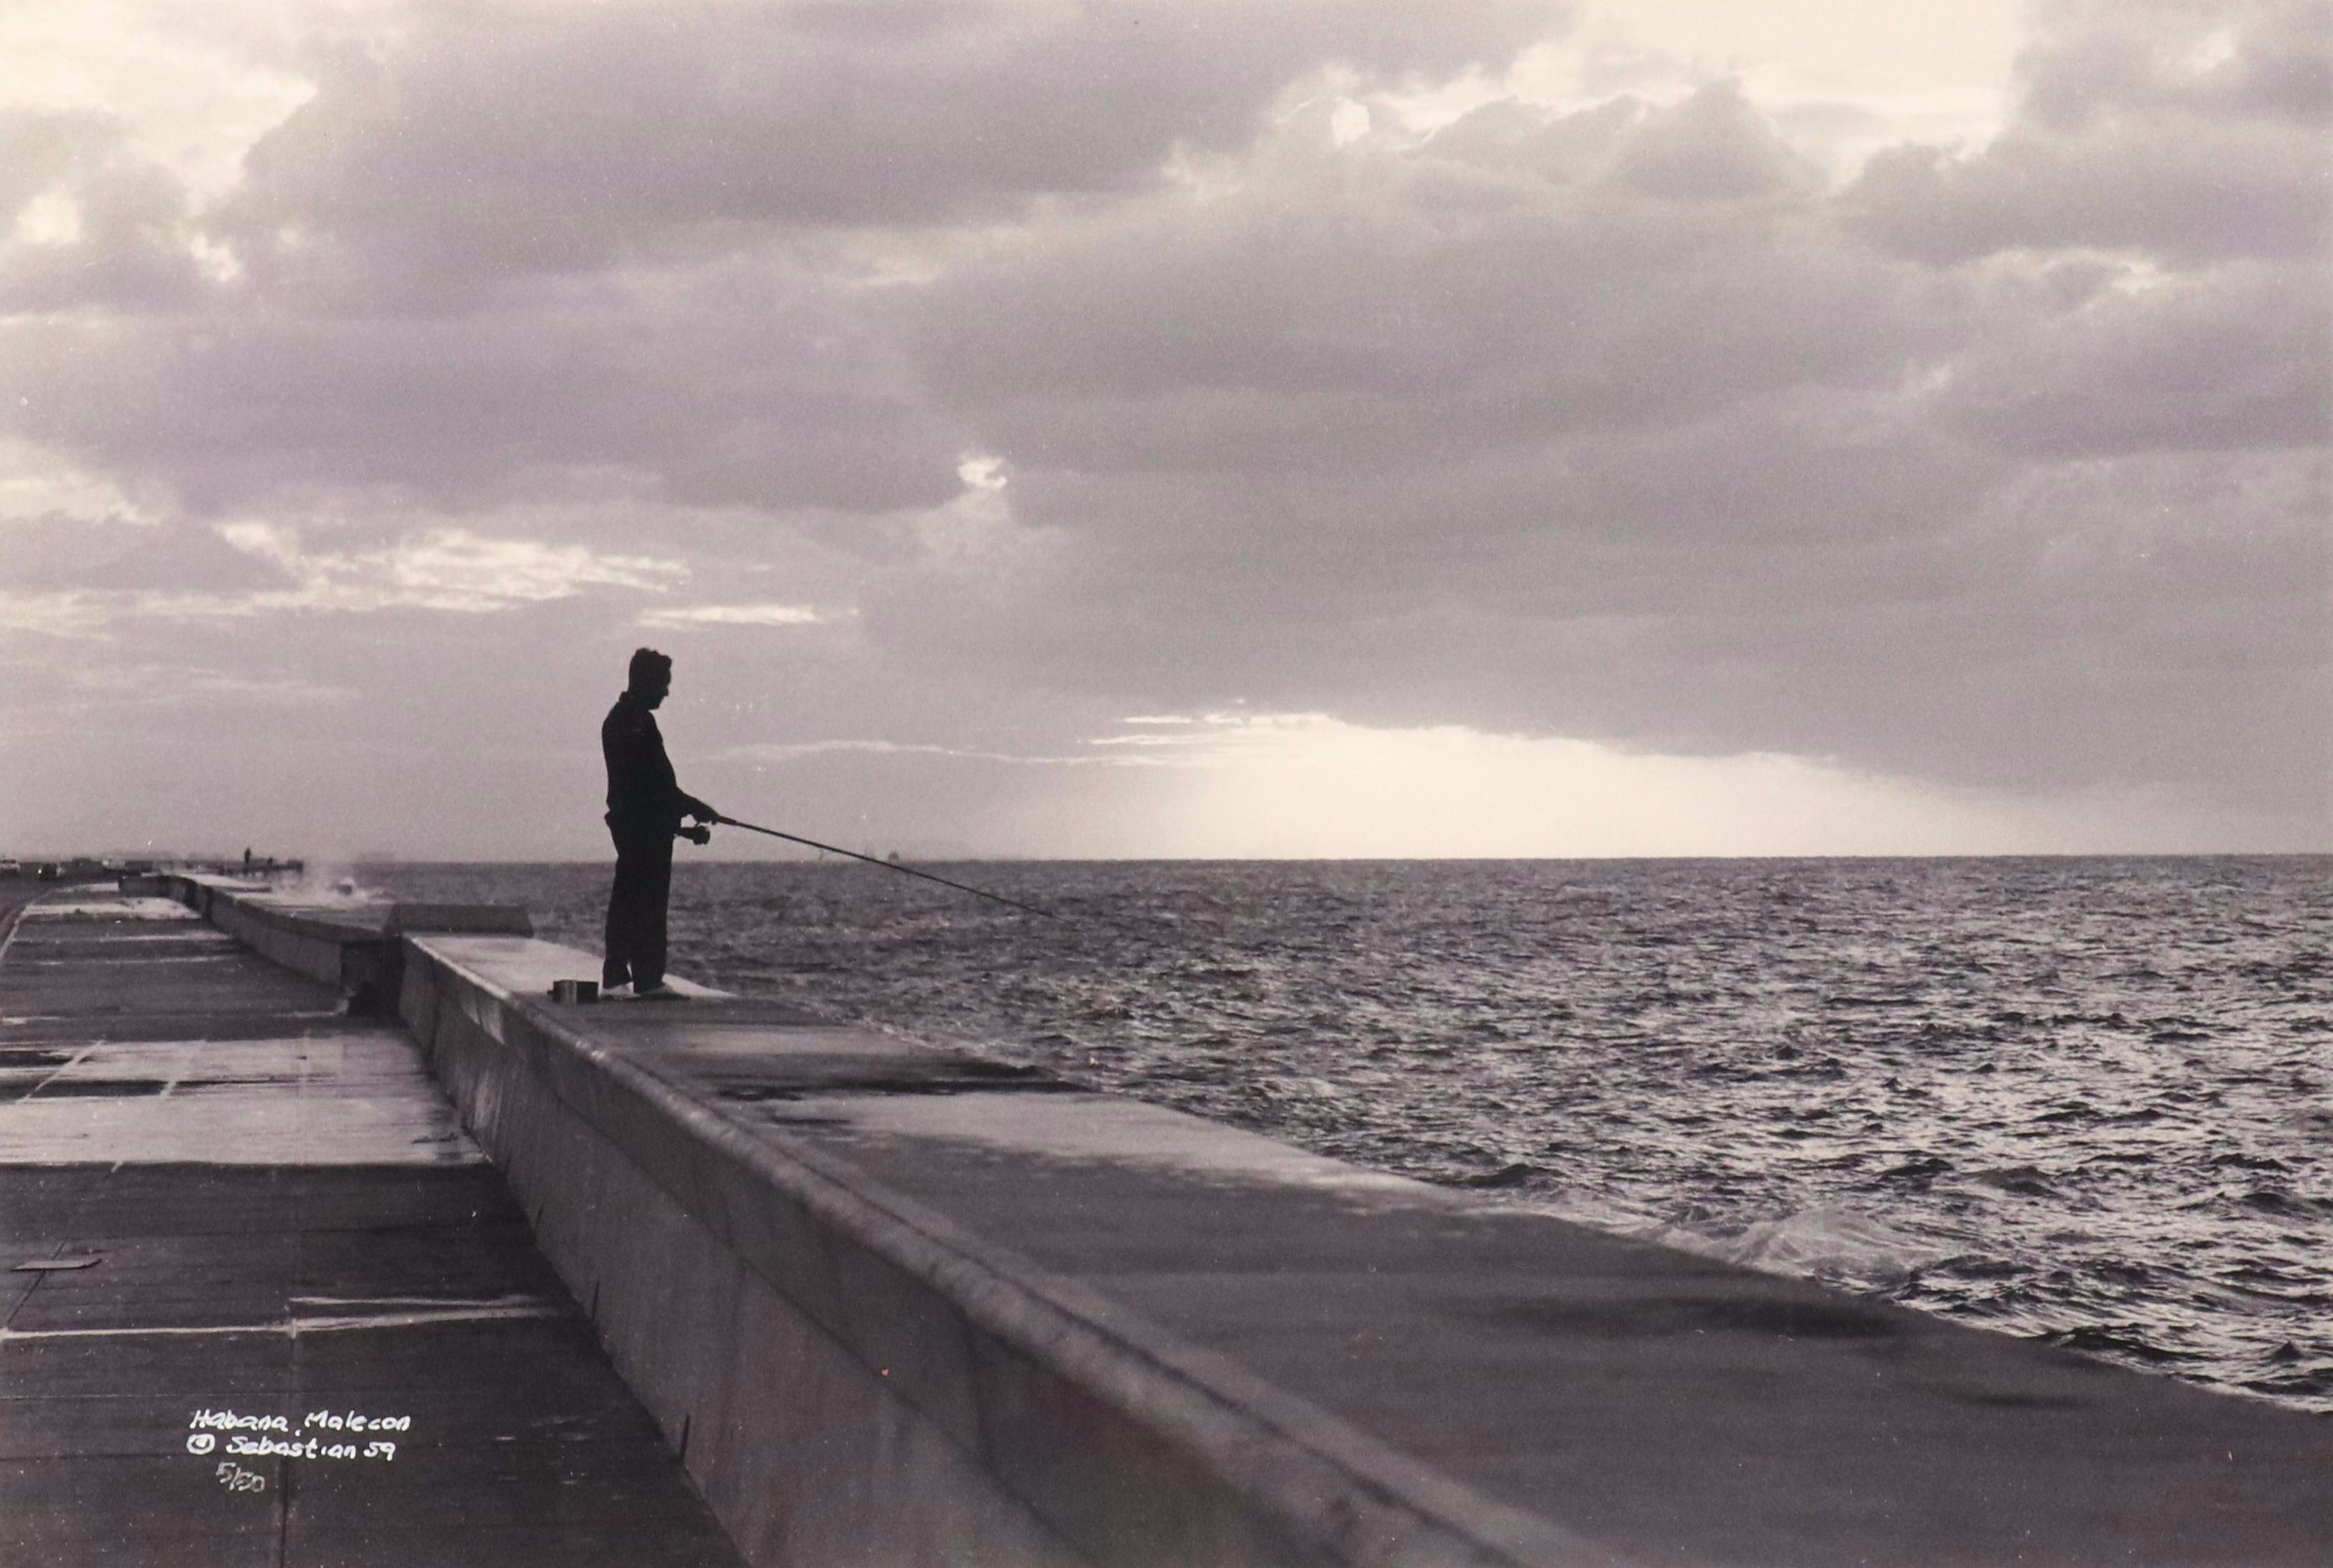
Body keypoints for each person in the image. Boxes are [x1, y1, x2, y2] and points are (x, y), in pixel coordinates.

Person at [601, 647, 718, 998]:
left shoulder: (622, 718)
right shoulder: (636, 722)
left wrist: (681, 825)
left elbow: (646, 792)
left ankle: (618, 974)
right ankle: (648, 980)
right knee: (648, 903)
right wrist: (692, 806)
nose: (666, 692)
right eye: (662, 684)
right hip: (643, 830)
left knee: (628, 899)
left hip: (636, 826)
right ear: (646, 681)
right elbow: (654, 787)